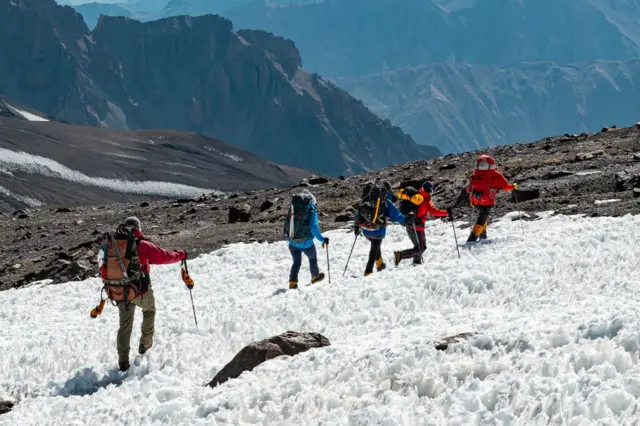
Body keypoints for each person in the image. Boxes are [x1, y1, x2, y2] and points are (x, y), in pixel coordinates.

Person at [115, 217, 187, 371]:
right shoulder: (141, 244)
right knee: (149, 311)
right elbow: (164, 256)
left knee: (124, 326)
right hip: (141, 290)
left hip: (120, 291)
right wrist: (180, 255)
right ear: (138, 228)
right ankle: (145, 343)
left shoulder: (114, 244)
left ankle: (123, 363)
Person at [450, 155, 518, 242]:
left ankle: (483, 236)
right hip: (487, 202)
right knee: (481, 220)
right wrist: (513, 186)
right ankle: (471, 240)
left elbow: (469, 188)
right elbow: (505, 186)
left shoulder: (476, 174)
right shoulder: (496, 175)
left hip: (475, 200)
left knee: (483, 217)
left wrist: (471, 200)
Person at [354, 182, 406, 276]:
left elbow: (358, 213)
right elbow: (396, 216)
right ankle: (368, 271)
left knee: (376, 247)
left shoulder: (367, 199)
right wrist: (406, 220)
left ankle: (380, 265)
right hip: (378, 232)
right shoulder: (385, 202)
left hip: (366, 230)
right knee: (374, 249)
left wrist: (356, 226)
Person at [394, 181, 448, 266]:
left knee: (418, 246)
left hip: (408, 223)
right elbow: (434, 212)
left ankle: (416, 263)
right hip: (418, 226)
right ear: (430, 190)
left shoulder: (417, 195)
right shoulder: (426, 200)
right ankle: (400, 255)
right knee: (421, 248)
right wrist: (446, 212)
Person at [284, 190, 328, 290]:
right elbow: (314, 228)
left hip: (292, 241)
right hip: (305, 243)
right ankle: (315, 276)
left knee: (296, 263)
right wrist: (322, 240)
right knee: (312, 259)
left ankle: (292, 283)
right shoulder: (311, 210)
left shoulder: (294, 207)